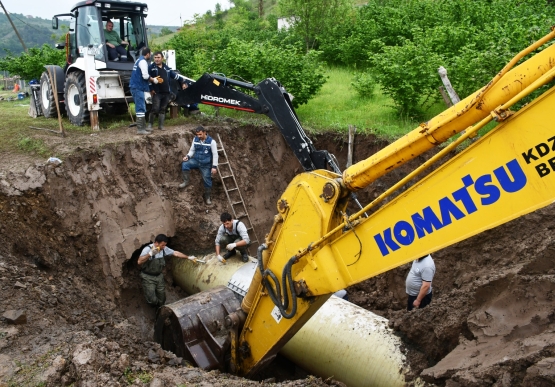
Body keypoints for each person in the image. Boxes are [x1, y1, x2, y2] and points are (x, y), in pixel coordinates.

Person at [137, 234, 193, 307]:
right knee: (152, 299)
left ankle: (160, 309)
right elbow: (139, 262)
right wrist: (150, 254)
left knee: (162, 298)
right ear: (156, 243)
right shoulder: (147, 249)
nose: (163, 247)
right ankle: (154, 307)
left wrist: (188, 257)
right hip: (148, 277)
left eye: (165, 245)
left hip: (159, 276)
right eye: (162, 245)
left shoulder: (164, 249)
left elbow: (175, 253)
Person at [148, 51, 187, 131]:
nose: (157, 59)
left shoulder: (167, 68)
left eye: (158, 57)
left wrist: (183, 82)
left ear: (162, 58)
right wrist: (151, 89)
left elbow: (176, 76)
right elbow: (148, 79)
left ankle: (161, 126)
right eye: (155, 57)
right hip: (157, 92)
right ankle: (150, 125)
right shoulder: (151, 68)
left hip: (166, 92)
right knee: (155, 109)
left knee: (163, 109)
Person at [179, 126, 218, 204]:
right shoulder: (195, 139)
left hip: (206, 164)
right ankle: (186, 181)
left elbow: (215, 155)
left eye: (200, 134)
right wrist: (188, 156)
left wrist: (214, 167)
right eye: (197, 134)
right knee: (185, 164)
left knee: (207, 181)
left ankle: (207, 197)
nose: (198, 136)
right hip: (196, 161)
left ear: (204, 132)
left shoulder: (211, 142)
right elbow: (192, 150)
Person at [129, 47, 160, 135]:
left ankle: (142, 127)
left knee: (141, 106)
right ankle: (140, 129)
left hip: (136, 86)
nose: (150, 55)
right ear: (148, 54)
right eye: (150, 54)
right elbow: (145, 76)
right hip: (138, 87)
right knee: (140, 107)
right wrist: (153, 80)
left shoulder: (139, 60)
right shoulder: (143, 62)